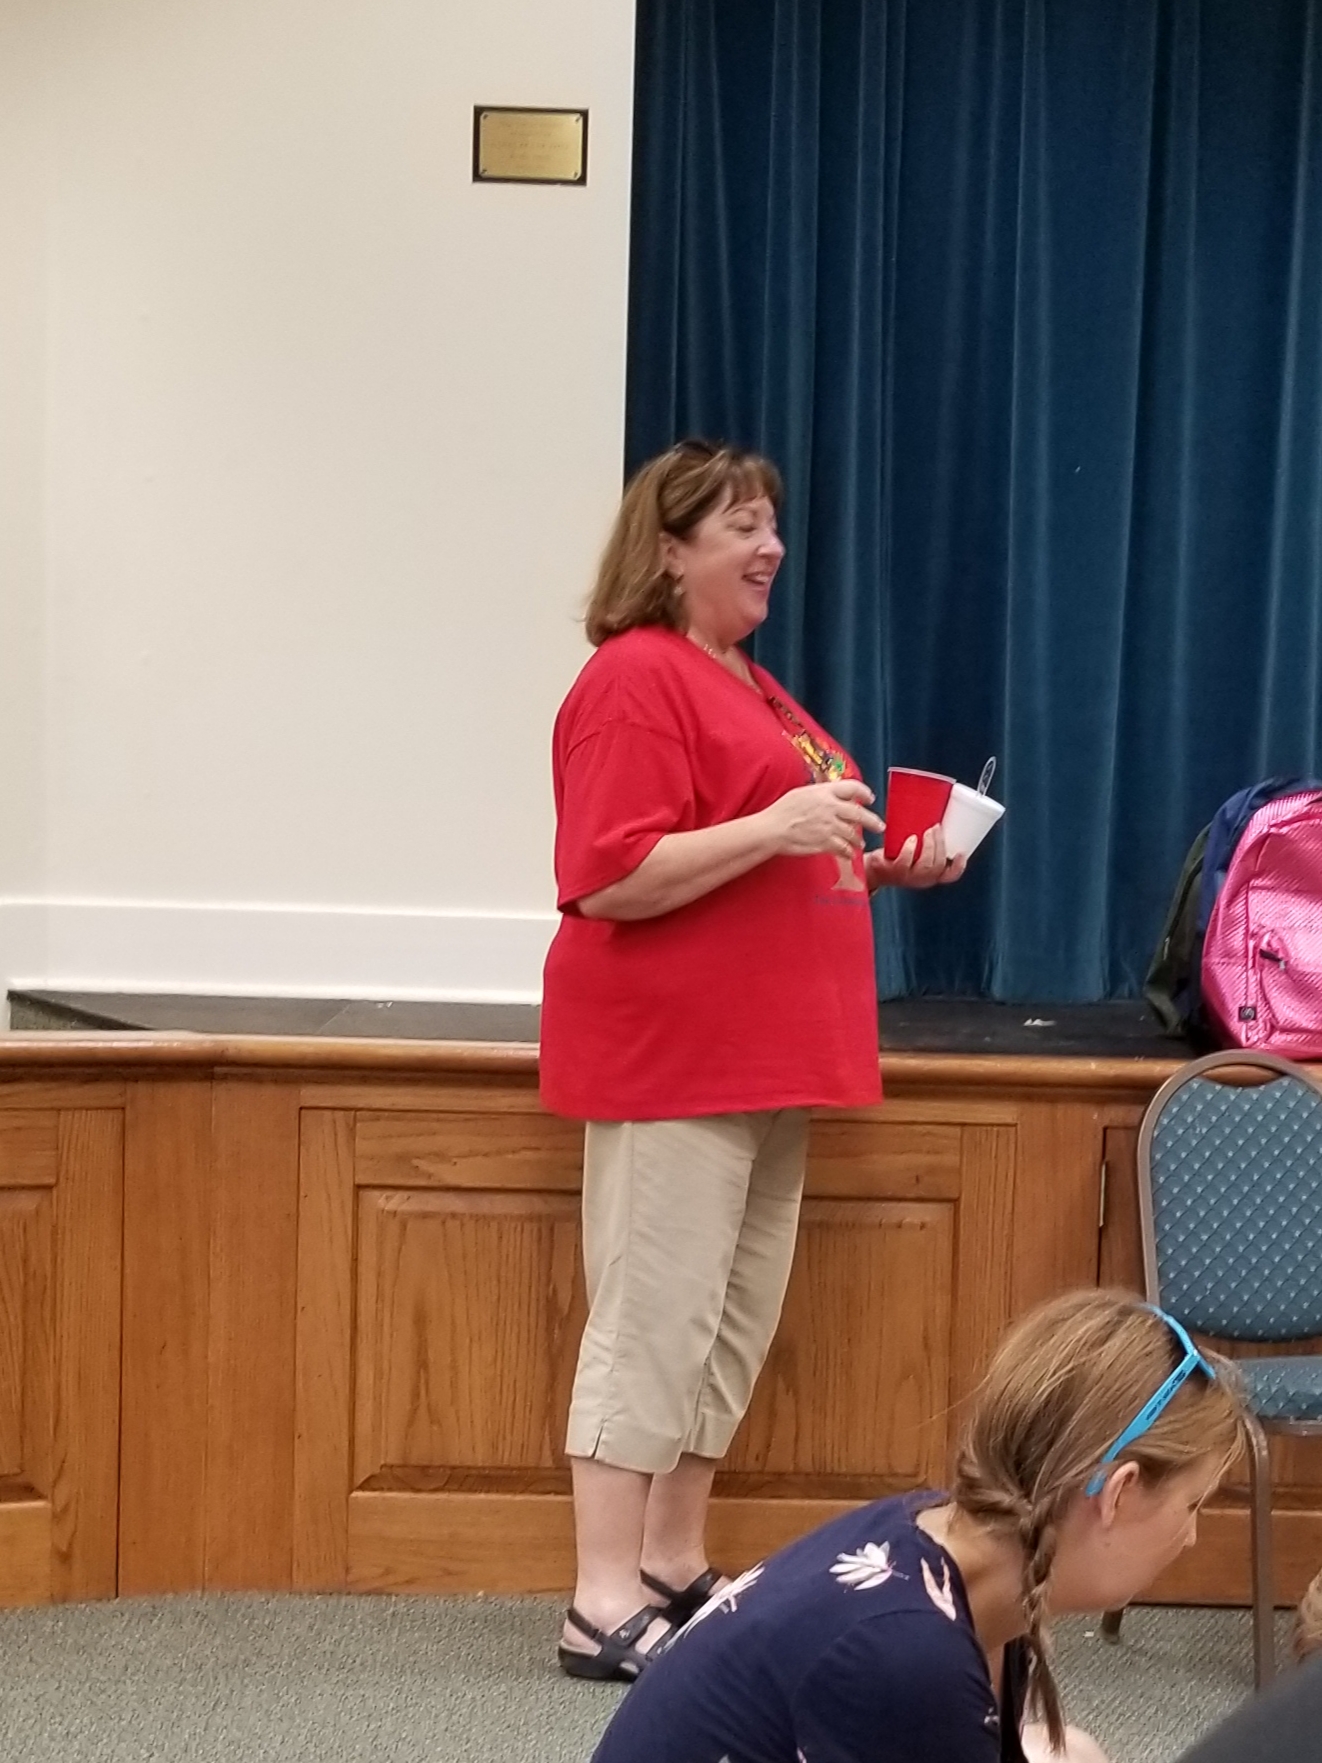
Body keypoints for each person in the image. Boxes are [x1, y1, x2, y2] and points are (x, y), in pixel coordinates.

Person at [540, 438, 965, 1679]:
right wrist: (777, 820)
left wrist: (873, 862)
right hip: (677, 1055)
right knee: (651, 1320)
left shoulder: (750, 681)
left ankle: (670, 1560)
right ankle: (596, 1594)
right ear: (666, 550)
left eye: (771, 523)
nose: (769, 544)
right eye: (738, 524)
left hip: (777, 1057)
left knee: (728, 1324)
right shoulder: (634, 678)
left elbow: (761, 853)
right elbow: (606, 876)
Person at [589, 1289, 1246, 1762]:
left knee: (1071, 1752)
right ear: (1121, 1491)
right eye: (1192, 1505)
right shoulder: (907, 1658)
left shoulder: (954, 1536)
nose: (1190, 1536)